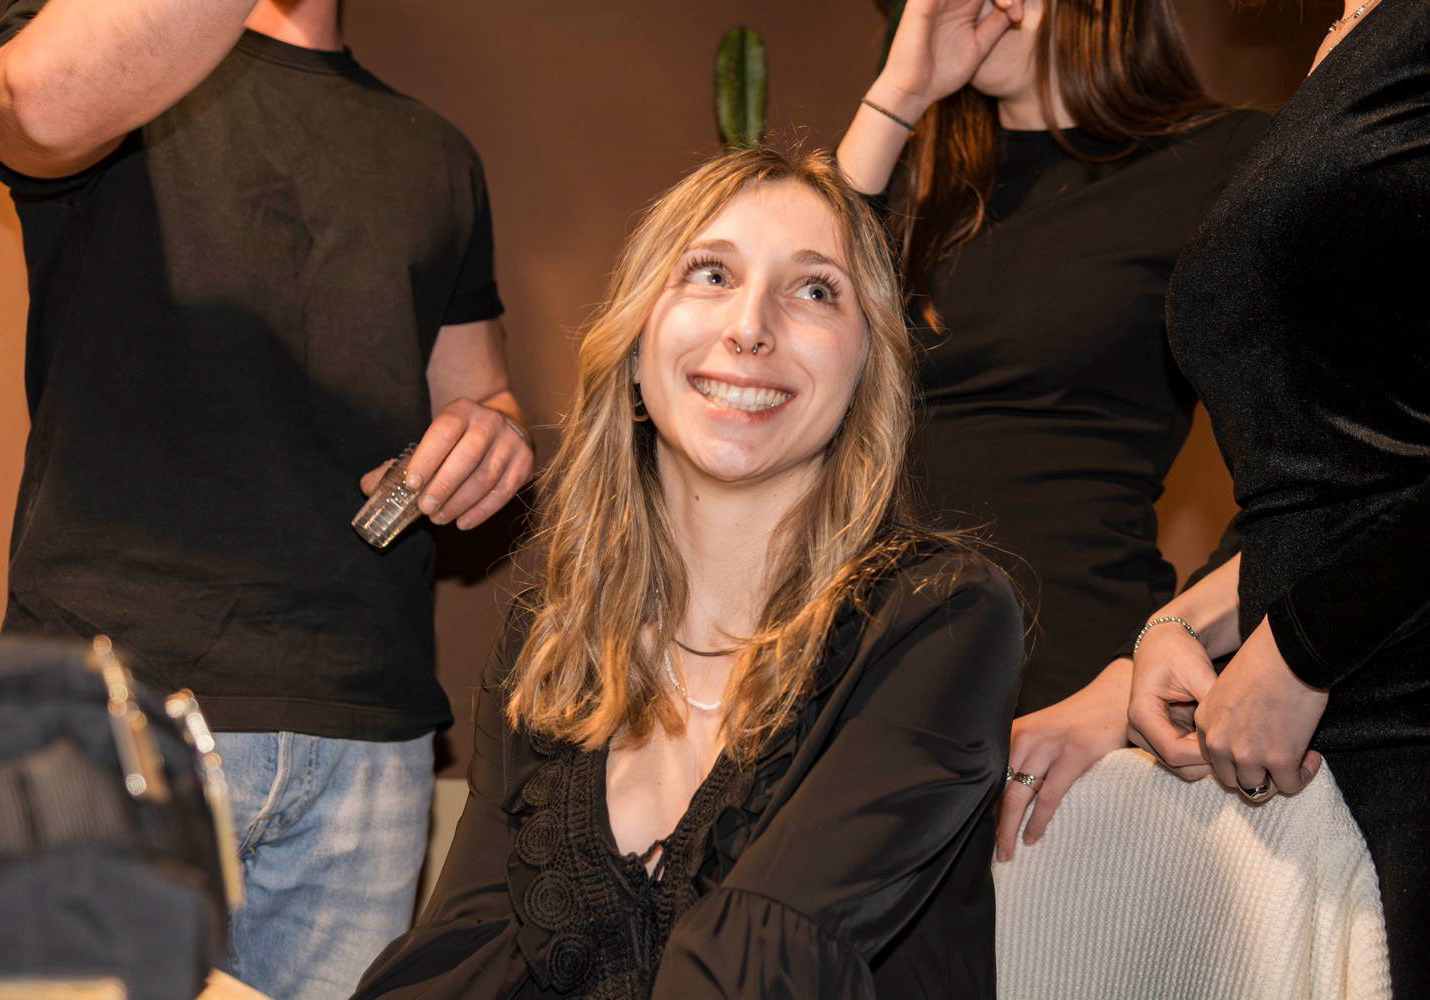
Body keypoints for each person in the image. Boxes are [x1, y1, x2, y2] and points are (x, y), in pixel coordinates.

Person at [352, 147, 1025, 999]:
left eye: (815, 291)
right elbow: (462, 960)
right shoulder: (553, 645)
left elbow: (760, 965)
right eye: (710, 275)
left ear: (865, 372)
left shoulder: (941, 619)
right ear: (636, 352)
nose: (750, 326)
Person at [0, 1, 534, 996]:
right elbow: (36, 107)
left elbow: (479, 394)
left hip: (370, 739)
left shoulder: (439, 153)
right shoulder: (76, 32)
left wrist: (494, 438)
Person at [834, 0, 1266, 857]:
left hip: (1060, 701)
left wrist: (1138, 672)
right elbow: (781, 339)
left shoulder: (1225, 163)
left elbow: (1327, 469)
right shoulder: (906, 184)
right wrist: (899, 93)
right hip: (854, 690)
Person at [1130, 0, 1430, 993]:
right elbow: (1343, 458)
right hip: (1347, 740)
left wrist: (1304, 642)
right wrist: (1185, 620)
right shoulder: (1358, 42)